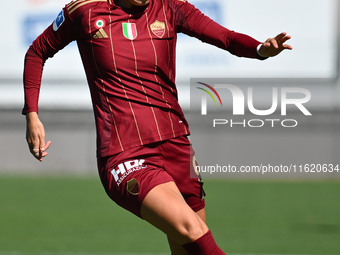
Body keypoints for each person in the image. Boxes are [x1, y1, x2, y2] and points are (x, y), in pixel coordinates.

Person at [23, 0, 292, 253]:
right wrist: (32, 114)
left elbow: (226, 38)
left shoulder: (170, 8)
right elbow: (37, 52)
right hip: (125, 154)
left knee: (187, 248)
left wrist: (261, 50)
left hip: (177, 145)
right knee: (193, 230)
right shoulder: (85, 12)